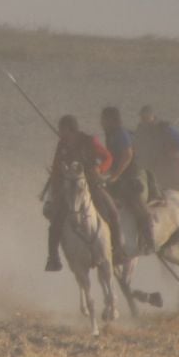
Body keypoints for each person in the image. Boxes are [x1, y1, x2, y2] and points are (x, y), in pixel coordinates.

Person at [43, 114, 125, 271]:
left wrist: (99, 169)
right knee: (55, 223)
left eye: (63, 130)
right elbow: (56, 167)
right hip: (69, 189)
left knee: (112, 212)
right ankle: (53, 257)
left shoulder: (89, 141)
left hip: (91, 185)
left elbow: (107, 158)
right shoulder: (62, 145)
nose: (61, 133)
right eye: (60, 130)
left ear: (71, 130)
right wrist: (55, 187)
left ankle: (118, 251)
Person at [101, 106, 151, 253]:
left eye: (103, 119)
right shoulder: (110, 135)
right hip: (117, 177)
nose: (101, 122)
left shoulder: (120, 134)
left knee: (138, 206)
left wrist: (115, 175)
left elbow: (127, 155)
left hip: (130, 176)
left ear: (111, 120)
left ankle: (149, 239)